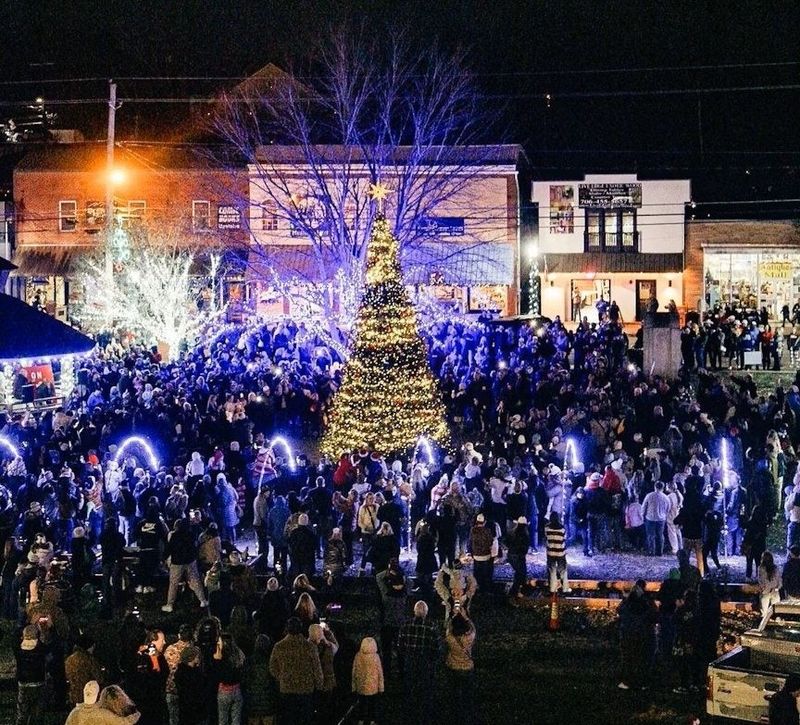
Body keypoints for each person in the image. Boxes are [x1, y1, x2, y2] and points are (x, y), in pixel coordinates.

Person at [269, 617, 323, 725]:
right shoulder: (310, 647)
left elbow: (272, 667)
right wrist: (319, 686)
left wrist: (282, 677)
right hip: (306, 689)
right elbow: (317, 669)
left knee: (289, 720)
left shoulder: (279, 646)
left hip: (286, 689)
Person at [397, 601, 439, 724]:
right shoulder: (431, 626)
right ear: (426, 613)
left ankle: (409, 712)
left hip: (410, 659)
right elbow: (437, 647)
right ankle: (425, 714)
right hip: (425, 661)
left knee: (409, 686)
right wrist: (432, 660)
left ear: (414, 611)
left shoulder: (406, 625)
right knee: (426, 688)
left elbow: (400, 646)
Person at [162, 518, 208, 613]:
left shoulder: (175, 535)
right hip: (190, 561)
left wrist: (163, 558)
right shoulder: (191, 535)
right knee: (195, 580)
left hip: (177, 562)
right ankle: (203, 600)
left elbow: (169, 548)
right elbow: (195, 547)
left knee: (174, 583)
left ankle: (170, 604)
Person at [617, 582, 657, 690]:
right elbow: (655, 615)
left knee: (629, 659)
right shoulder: (647, 604)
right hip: (645, 634)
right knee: (644, 660)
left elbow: (620, 611)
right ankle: (643, 682)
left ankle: (628, 682)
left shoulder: (628, 605)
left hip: (629, 634)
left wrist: (625, 598)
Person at [375, 558, 406, 679]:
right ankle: (401, 672)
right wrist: (400, 573)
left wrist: (388, 571)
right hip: (400, 624)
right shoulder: (404, 593)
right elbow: (409, 581)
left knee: (386, 650)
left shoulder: (386, 595)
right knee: (400, 650)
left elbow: (378, 577)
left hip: (387, 623)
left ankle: (387, 672)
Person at [14, 622, 50, 725]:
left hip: (23, 682)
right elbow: (48, 650)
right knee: (37, 711)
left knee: (22, 711)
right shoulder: (41, 649)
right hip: (38, 683)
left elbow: (15, 636)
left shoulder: (18, 648)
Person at [444, 611, 476, 725]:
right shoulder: (469, 638)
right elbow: (473, 629)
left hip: (453, 666)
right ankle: (467, 714)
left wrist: (452, 617)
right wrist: (466, 618)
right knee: (467, 692)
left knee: (454, 692)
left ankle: (455, 714)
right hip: (467, 667)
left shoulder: (450, 638)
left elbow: (447, 628)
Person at [164, 624, 195, 725]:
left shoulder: (169, 649)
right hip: (187, 692)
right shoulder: (194, 651)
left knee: (173, 720)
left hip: (171, 690)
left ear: (179, 635)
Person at [243, 634, 277, 725]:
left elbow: (244, 681)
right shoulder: (271, 661)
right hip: (268, 704)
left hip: (252, 705)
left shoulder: (248, 661)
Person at [308, 623, 338, 724]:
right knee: (326, 707)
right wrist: (328, 633)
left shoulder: (307, 647)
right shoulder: (329, 647)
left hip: (313, 682)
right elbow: (336, 647)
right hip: (328, 680)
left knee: (315, 706)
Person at [214, 634, 245, 725]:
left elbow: (217, 674)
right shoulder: (239, 654)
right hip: (237, 690)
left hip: (224, 691)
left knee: (223, 720)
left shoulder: (219, 656)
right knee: (236, 720)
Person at [352, 636, 384, 725]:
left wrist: (354, 686)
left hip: (361, 685)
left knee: (361, 704)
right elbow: (380, 673)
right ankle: (372, 720)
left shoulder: (358, 656)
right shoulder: (376, 657)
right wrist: (381, 687)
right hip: (373, 687)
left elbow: (354, 671)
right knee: (372, 704)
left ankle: (361, 719)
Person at [64, 633, 102, 707]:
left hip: (74, 695)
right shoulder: (89, 660)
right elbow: (99, 678)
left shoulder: (69, 660)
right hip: (90, 695)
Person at [174, 644, 208, 725]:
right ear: (191, 657)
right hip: (193, 707)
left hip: (186, 708)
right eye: (197, 656)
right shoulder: (192, 674)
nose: (199, 658)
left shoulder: (181, 672)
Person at [544, 511, 571, 594]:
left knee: (552, 570)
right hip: (560, 552)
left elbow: (546, 538)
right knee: (563, 570)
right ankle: (565, 588)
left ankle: (553, 588)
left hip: (551, 552)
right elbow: (564, 539)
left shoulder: (547, 528)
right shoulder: (562, 529)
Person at [641, 481, 670, 556]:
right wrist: (664, 515)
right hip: (661, 519)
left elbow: (644, 506)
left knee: (651, 536)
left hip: (650, 518)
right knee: (660, 535)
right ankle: (660, 552)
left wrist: (642, 515)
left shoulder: (649, 495)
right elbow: (668, 508)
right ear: (662, 488)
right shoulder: (666, 497)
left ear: (655, 486)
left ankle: (651, 552)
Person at [469, 513, 495, 592]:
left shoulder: (472, 530)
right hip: (485, 555)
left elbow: (470, 542)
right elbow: (490, 542)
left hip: (476, 555)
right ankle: (485, 588)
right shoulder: (487, 530)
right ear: (484, 522)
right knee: (485, 573)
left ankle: (476, 587)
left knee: (477, 572)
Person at [506, 516, 530, 597]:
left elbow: (507, 542)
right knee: (521, 574)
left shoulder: (512, 532)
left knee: (519, 573)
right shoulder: (525, 534)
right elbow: (525, 548)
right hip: (519, 556)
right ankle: (514, 592)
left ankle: (518, 590)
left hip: (511, 555)